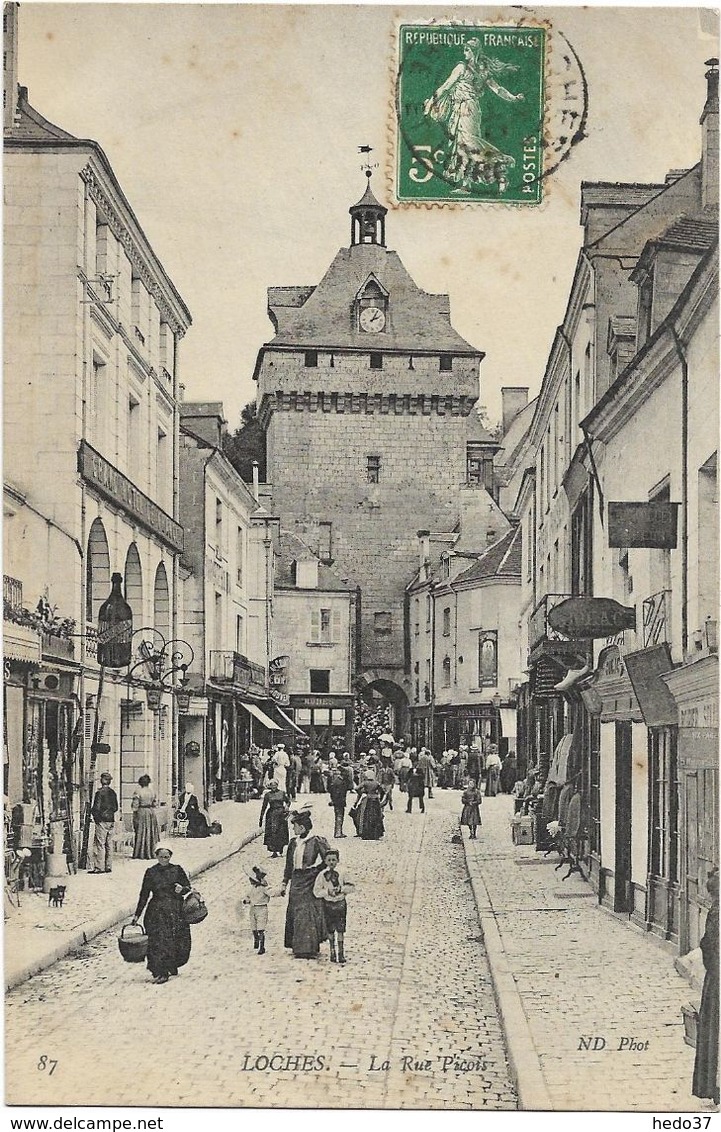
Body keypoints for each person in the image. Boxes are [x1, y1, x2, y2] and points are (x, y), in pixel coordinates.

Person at [423, 38, 524, 193]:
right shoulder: (469, 68)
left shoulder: (468, 69)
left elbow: (497, 89)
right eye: (464, 50)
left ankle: (501, 163)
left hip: (468, 109)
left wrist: (513, 98)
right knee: (462, 147)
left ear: (474, 51)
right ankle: (467, 184)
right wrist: (432, 101)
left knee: (470, 144)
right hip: (461, 109)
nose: (464, 53)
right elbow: (446, 87)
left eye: (467, 50)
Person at [131, 843, 192, 984]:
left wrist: (182, 889)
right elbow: (144, 894)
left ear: (171, 856)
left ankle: (171, 965)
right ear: (156, 856)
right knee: (157, 942)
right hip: (156, 912)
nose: (164, 859)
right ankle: (160, 971)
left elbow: (188, 888)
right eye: (161, 856)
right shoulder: (151, 872)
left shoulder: (177, 870)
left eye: (167, 856)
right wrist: (136, 915)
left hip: (175, 911)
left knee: (175, 940)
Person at [281, 811, 329, 959]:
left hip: (310, 880)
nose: (293, 830)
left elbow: (329, 858)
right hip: (296, 881)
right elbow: (289, 865)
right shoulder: (293, 843)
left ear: (302, 828)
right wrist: (284, 882)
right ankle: (297, 946)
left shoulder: (316, 841)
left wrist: (317, 872)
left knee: (307, 913)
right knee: (295, 912)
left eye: (295, 826)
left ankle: (308, 948)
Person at [693, 868, 719, 1105]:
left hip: (718, 982)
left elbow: (709, 946)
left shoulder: (716, 913)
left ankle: (714, 1084)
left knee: (714, 1033)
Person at [313, 847, 354, 964]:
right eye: (329, 860)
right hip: (328, 905)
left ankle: (341, 953)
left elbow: (352, 887)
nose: (331, 862)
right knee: (330, 929)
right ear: (325, 861)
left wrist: (342, 889)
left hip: (340, 904)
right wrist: (327, 892)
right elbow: (316, 892)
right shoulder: (322, 875)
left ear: (338, 860)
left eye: (334, 860)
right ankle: (332, 952)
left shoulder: (343, 873)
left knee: (340, 929)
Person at [241, 865, 277, 956]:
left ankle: (262, 946)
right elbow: (248, 896)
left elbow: (271, 892)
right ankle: (256, 939)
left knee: (260, 928)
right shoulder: (252, 888)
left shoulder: (263, 888)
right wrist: (246, 900)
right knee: (253, 927)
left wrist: (279, 892)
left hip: (262, 908)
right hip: (253, 908)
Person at [89, 772, 118, 873]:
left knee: (100, 844)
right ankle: (108, 866)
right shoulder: (113, 793)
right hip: (111, 820)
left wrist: (95, 816)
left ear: (103, 780)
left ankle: (99, 867)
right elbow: (116, 807)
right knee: (109, 844)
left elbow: (96, 808)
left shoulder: (99, 793)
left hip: (101, 821)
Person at [131, 774, 161, 859]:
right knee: (150, 832)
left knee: (141, 831)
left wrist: (134, 812)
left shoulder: (138, 792)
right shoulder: (152, 791)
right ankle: (150, 852)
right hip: (151, 812)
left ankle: (140, 853)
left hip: (141, 812)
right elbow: (155, 804)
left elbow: (135, 805)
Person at [259, 779, 289, 858]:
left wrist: (286, 806)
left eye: (275, 785)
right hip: (271, 814)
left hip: (281, 814)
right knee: (273, 833)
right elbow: (264, 806)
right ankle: (274, 851)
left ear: (277, 785)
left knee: (281, 831)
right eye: (272, 785)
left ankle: (281, 848)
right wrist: (261, 818)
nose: (273, 787)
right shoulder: (268, 795)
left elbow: (288, 801)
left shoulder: (282, 793)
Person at [351, 772, 385, 840]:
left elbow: (356, 788)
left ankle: (366, 833)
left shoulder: (365, 783)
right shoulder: (376, 783)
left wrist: (363, 792)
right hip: (376, 800)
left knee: (366, 816)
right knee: (376, 816)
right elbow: (383, 791)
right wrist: (380, 798)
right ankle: (376, 833)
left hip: (368, 799)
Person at [328, 767, 349, 838]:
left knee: (339, 816)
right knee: (339, 816)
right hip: (339, 801)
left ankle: (339, 831)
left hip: (337, 800)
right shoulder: (340, 782)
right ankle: (338, 832)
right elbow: (338, 793)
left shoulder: (336, 780)